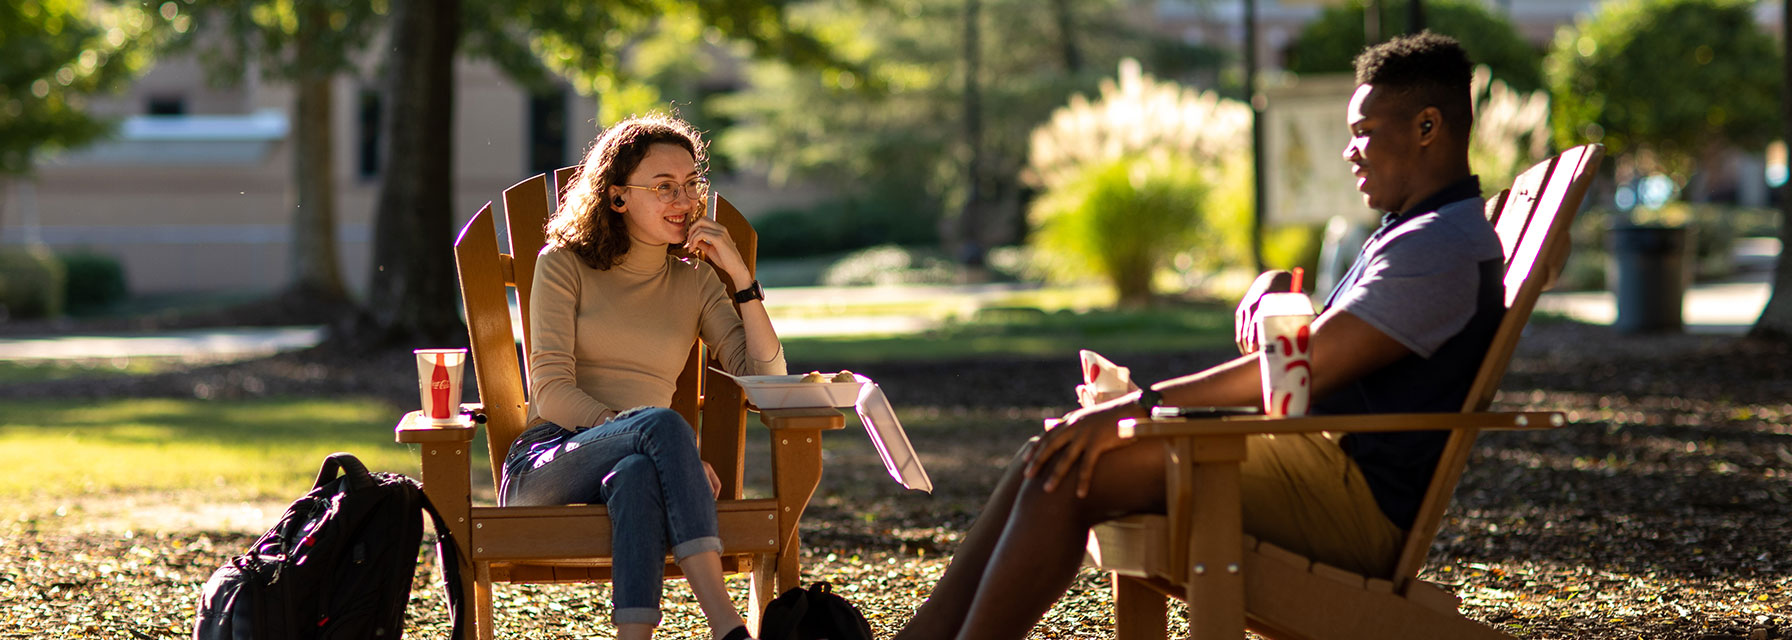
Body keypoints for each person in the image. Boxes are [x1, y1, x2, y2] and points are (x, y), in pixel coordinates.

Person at [892, 32, 1504, 640]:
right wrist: (1277, 295)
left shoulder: (1440, 245)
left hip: (1352, 502)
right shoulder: (1418, 234)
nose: (1350, 151)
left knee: (1067, 470)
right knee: (1047, 457)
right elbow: (1320, 354)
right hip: (1316, 464)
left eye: (1364, 131)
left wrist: (1145, 406)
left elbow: (1305, 366)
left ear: (1428, 127)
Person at [498, 113, 783, 640]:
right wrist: (637, 430)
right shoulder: (563, 264)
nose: (684, 199)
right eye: (664, 187)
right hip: (546, 463)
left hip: (636, 464)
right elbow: (551, 389)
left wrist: (741, 278)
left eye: (691, 184)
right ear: (617, 197)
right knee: (658, 428)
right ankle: (727, 627)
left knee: (636, 470)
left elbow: (767, 376)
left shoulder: (695, 284)